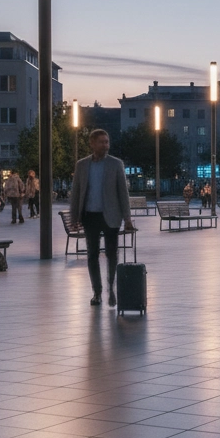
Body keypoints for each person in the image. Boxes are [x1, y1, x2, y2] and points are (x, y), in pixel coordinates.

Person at [70, 129, 135, 306]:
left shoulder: (116, 164)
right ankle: (97, 292)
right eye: (101, 142)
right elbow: (76, 193)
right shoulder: (82, 165)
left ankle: (111, 287)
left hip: (111, 216)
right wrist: (74, 217)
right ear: (92, 144)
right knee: (92, 254)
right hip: (90, 216)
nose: (105, 145)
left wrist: (127, 218)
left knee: (111, 254)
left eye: (107, 142)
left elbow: (123, 193)